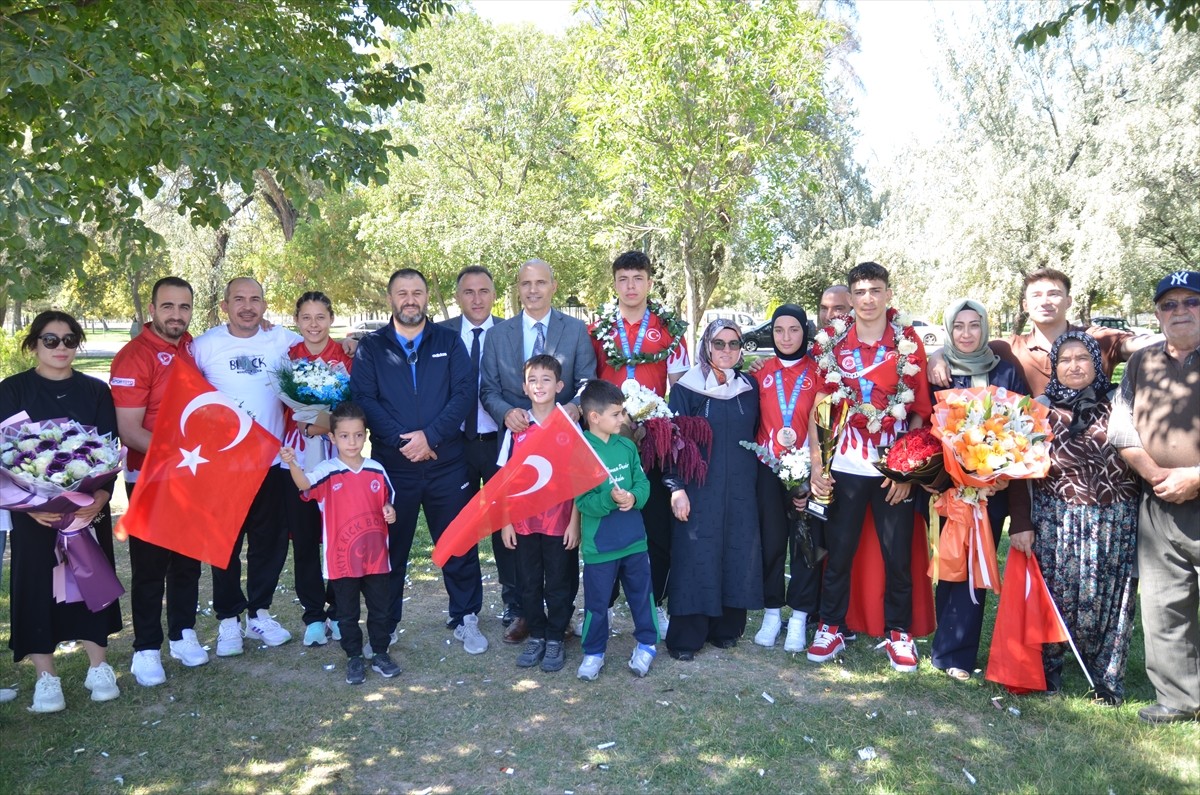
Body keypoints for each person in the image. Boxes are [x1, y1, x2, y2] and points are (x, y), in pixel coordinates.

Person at [351, 268, 488, 655]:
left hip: (447, 463)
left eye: (417, 292)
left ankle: (466, 619)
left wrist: (431, 436)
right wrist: (403, 441)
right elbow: (365, 398)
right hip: (394, 468)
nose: (410, 299)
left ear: (427, 297)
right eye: (402, 293)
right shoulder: (372, 347)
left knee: (457, 543)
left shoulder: (448, 340)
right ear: (390, 298)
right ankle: (386, 623)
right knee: (391, 549)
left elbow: (463, 394)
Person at [807, 262, 933, 673]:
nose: (867, 299)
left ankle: (899, 632)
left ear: (888, 295)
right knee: (839, 551)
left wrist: (906, 468)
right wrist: (816, 464)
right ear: (852, 297)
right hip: (844, 461)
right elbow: (818, 408)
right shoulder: (833, 343)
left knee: (897, 553)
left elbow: (918, 410)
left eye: (875, 290)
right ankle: (831, 625)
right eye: (860, 291)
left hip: (890, 467)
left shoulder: (907, 341)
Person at [0, 311, 122, 712]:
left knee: (93, 579)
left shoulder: (95, 391)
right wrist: (30, 506)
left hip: (86, 510)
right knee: (35, 584)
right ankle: (46, 678)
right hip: (34, 513)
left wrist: (100, 499)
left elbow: (108, 447)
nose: (61, 348)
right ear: (33, 343)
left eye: (69, 340)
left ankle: (99, 667)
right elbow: (6, 452)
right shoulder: (12, 390)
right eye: (51, 340)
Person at [192, 277, 303, 656]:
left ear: (265, 305)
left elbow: (322, 345)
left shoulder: (282, 340)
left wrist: (351, 343)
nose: (247, 306)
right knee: (224, 545)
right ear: (224, 305)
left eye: (255, 299)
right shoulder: (205, 346)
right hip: (222, 467)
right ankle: (228, 621)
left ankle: (259, 613)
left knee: (268, 545)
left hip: (271, 463)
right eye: (238, 299)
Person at [1110, 270, 1200, 723]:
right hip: (1159, 500)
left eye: (1191, 302)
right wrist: (1157, 474)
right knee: (1164, 601)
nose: (1180, 312)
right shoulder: (1142, 362)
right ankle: (1179, 698)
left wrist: (1195, 476)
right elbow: (1121, 426)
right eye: (1169, 305)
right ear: (1157, 314)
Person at [110, 277, 209, 686]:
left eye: (184, 307)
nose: (176, 315)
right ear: (152, 309)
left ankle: (183, 633)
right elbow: (130, 430)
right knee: (151, 566)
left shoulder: (191, 347)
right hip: (149, 475)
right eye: (168, 306)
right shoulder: (134, 356)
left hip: (192, 473)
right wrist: (180, 459)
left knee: (187, 561)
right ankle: (146, 648)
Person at [1032, 332, 1140, 705]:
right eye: (1065, 359)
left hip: (1114, 515)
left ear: (1097, 363)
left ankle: (1107, 681)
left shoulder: (1121, 401)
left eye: (1083, 358)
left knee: (1112, 598)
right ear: (1055, 366)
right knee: (1056, 593)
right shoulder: (1039, 407)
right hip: (1056, 515)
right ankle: (1048, 670)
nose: (1074, 365)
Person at [926, 299, 1031, 682]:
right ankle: (948, 650)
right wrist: (946, 478)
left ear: (985, 328)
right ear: (949, 330)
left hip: (995, 489)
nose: (967, 334)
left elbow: (1021, 427)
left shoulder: (1005, 370)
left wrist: (1002, 470)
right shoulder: (938, 372)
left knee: (977, 565)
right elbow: (926, 430)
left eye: (974, 325)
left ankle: (960, 653)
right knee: (953, 565)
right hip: (950, 490)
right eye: (959, 326)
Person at [589, 250, 690, 633]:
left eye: (637, 278)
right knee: (605, 516)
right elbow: (589, 382)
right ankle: (605, 601)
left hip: (653, 439)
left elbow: (678, 387)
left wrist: (668, 430)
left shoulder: (669, 329)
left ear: (649, 282)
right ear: (614, 284)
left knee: (654, 523)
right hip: (608, 441)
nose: (630, 286)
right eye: (623, 279)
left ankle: (656, 602)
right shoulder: (599, 329)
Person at [663, 320, 761, 660]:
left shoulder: (748, 387)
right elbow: (671, 441)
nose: (726, 351)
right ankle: (687, 637)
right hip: (698, 488)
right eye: (719, 344)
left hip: (740, 488)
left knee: (735, 551)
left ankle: (726, 628)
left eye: (734, 344)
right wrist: (675, 487)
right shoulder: (687, 389)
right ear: (706, 346)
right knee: (696, 556)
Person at [281, 402, 398, 685]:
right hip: (342, 560)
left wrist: (389, 512)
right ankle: (354, 657)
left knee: (381, 610)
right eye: (344, 436)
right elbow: (304, 485)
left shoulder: (376, 469)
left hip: (376, 558)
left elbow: (388, 501)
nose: (352, 441)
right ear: (332, 438)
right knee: (347, 613)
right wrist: (293, 463)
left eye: (358, 435)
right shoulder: (327, 470)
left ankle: (380, 652)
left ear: (366, 435)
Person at [438, 266, 523, 643]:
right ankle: (464, 609)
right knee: (461, 526)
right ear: (457, 296)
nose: (476, 299)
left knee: (509, 523)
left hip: (502, 443)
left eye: (484, 291)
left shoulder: (510, 334)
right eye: (468, 292)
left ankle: (514, 602)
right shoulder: (440, 335)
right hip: (454, 446)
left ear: (495, 295)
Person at [928, 267, 1155, 395]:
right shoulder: (1009, 348)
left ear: (1068, 301)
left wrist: (1177, 337)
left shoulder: (1093, 340)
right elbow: (967, 347)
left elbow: (1140, 344)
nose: (1045, 301)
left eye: (1054, 294)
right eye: (1036, 295)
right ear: (1025, 305)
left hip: (1088, 461)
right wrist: (937, 357)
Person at [498, 355, 581, 673]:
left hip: (560, 521)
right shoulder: (517, 429)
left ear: (560, 385)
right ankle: (536, 633)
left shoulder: (569, 428)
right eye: (533, 380)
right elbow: (504, 480)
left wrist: (575, 521)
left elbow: (579, 479)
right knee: (529, 582)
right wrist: (506, 520)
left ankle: (557, 635)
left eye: (547, 379)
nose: (540, 385)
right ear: (524, 387)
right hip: (524, 522)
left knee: (559, 581)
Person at [281, 291, 354, 648]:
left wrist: (322, 427)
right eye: (306, 318)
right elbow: (282, 408)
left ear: (331, 319)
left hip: (339, 461)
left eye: (320, 317)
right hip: (298, 460)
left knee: (339, 536)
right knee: (306, 539)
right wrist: (304, 424)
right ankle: (313, 615)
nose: (314, 325)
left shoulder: (345, 357)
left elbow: (353, 411)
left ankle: (339, 610)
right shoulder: (287, 359)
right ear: (297, 321)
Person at [575, 379, 659, 680]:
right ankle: (594, 652)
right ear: (594, 417)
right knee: (597, 604)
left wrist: (634, 497)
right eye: (617, 413)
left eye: (623, 412)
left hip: (634, 541)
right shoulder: (580, 451)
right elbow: (584, 503)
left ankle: (647, 644)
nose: (623, 419)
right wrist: (609, 500)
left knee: (641, 596)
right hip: (600, 547)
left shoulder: (626, 446)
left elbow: (643, 484)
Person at [750, 304, 821, 653]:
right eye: (779, 330)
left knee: (805, 543)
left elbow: (824, 423)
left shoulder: (820, 372)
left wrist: (812, 472)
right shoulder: (760, 371)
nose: (787, 337)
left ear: (804, 331)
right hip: (768, 469)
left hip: (808, 470)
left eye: (794, 330)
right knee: (772, 541)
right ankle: (772, 612)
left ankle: (800, 617)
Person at [481, 258, 597, 430]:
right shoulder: (496, 335)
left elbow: (587, 382)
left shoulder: (576, 329)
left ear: (554, 286)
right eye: (526, 283)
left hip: (563, 431)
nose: (533, 290)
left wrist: (574, 407)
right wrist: (506, 413)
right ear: (518, 288)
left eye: (541, 282)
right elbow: (488, 390)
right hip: (516, 435)